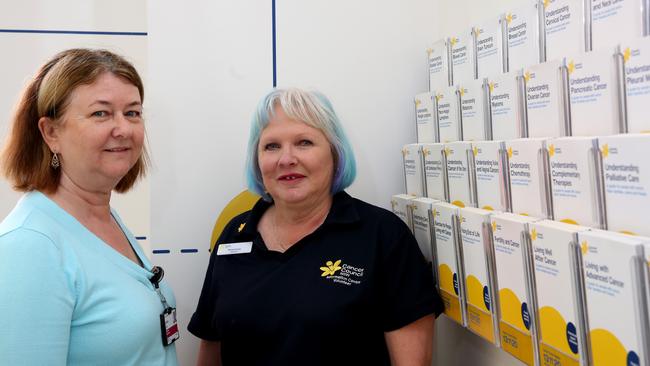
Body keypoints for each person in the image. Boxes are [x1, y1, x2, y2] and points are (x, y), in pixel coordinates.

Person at [188, 88, 444, 366]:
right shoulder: (233, 234)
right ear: (257, 159)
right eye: (271, 146)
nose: (286, 159)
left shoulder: (383, 237)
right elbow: (211, 348)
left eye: (304, 142)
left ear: (335, 154)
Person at [0, 48, 178, 365]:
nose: (123, 129)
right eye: (101, 113)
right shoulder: (29, 246)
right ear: (51, 133)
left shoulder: (103, 217)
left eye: (133, 113)